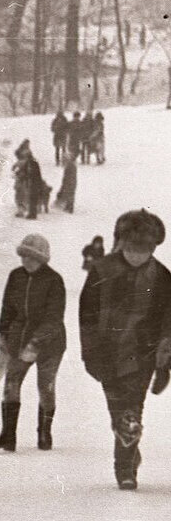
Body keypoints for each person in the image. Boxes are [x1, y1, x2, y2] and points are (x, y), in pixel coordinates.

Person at [79, 209, 171, 490]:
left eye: (144, 250)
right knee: (117, 411)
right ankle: (130, 452)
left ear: (153, 248)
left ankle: (124, 470)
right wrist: (90, 352)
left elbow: (169, 323)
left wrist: (164, 363)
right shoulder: (102, 270)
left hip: (142, 356)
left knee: (132, 412)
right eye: (132, 248)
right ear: (122, 243)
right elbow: (88, 315)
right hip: (107, 353)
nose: (137, 255)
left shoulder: (162, 277)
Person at [0, 234, 66, 452]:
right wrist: (3, 334)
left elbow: (54, 318)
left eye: (32, 258)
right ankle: (8, 435)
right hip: (19, 339)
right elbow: (7, 309)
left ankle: (44, 432)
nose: (26, 261)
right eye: (23, 256)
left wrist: (35, 344)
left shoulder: (54, 281)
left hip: (50, 345)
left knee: (46, 386)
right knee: (11, 383)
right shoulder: (16, 277)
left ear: (42, 259)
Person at [55, 149, 77, 214]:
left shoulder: (70, 165)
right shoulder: (70, 165)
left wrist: (67, 182)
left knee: (70, 194)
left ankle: (70, 207)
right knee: (69, 193)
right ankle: (68, 206)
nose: (63, 161)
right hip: (70, 181)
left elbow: (69, 176)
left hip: (70, 182)